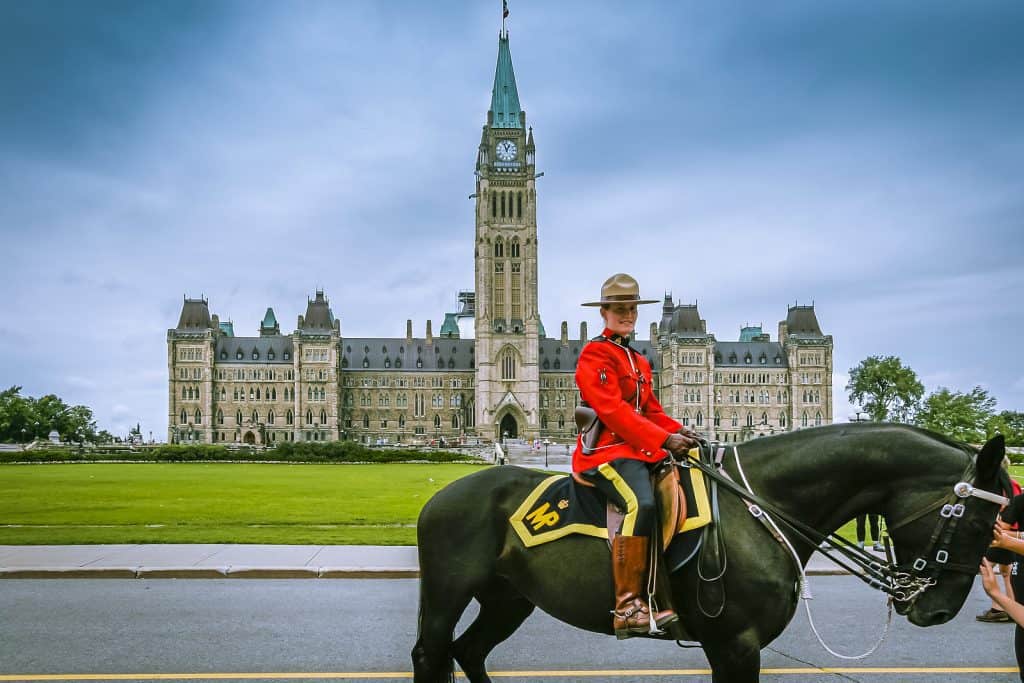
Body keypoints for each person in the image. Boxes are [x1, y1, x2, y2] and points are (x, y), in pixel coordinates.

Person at [573, 273, 699, 639]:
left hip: (639, 449)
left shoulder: (639, 360)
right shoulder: (595, 353)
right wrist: (663, 440)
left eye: (632, 309)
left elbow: (651, 411)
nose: (627, 315)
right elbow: (614, 412)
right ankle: (628, 604)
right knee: (640, 503)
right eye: (620, 310)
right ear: (604, 312)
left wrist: (679, 432)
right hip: (605, 454)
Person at [979, 458, 1022, 623]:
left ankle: (999, 607)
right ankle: (1012, 607)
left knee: (987, 565)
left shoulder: (1005, 485)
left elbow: (1013, 509)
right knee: (1006, 572)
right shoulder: (1010, 485)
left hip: (1006, 532)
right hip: (1011, 532)